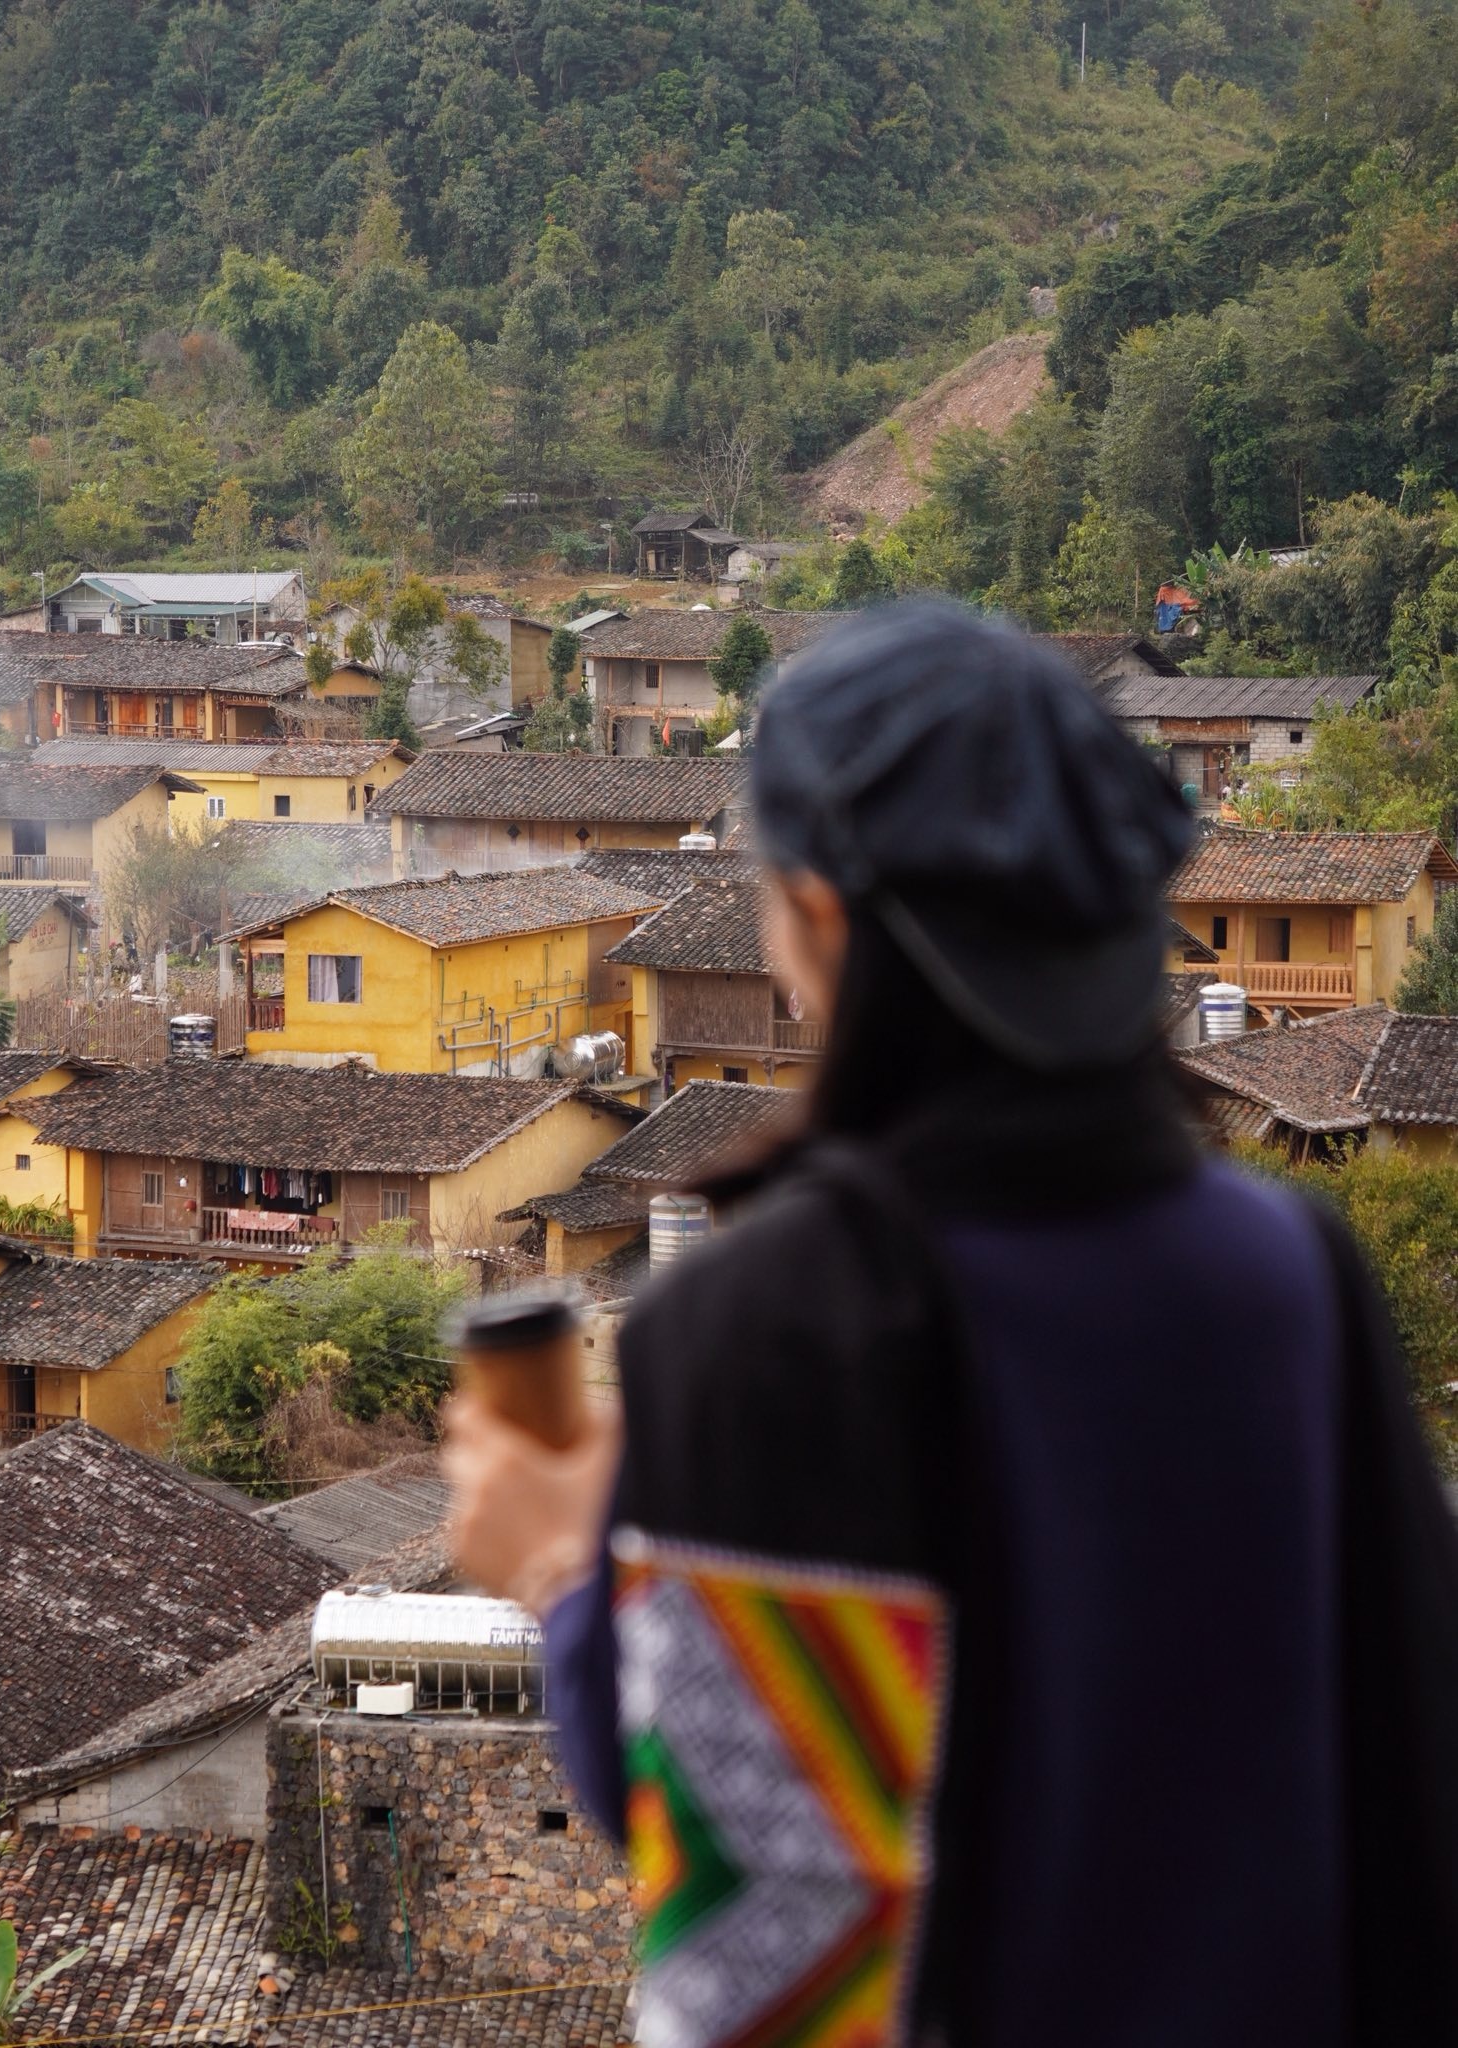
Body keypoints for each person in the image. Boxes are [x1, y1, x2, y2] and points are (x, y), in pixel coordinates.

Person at [444, 600, 1458, 2048]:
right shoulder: (1280, 1264)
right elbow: (1413, 1776)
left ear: (824, 917)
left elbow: (778, 1951)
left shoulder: (782, 1321)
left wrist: (558, 1568)